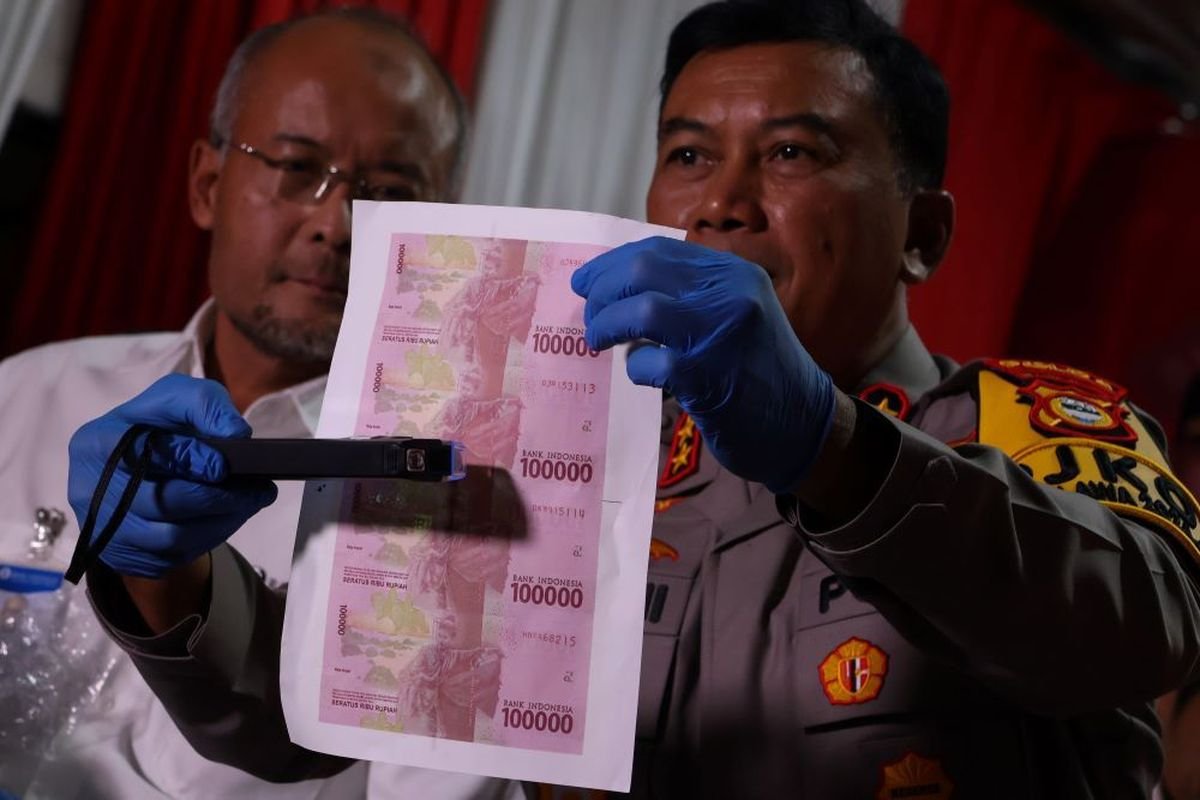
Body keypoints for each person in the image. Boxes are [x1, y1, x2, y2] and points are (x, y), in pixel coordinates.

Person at [70, 0, 1200, 797]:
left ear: (926, 231)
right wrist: (169, 571)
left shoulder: (1020, 424)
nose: (723, 204)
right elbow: (336, 707)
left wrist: (832, 446)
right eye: (690, 155)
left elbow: (1139, 633)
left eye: (794, 153)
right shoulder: (579, 441)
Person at [0, 7, 516, 799]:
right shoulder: (27, 393)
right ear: (207, 186)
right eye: (296, 167)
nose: (335, 223)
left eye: (389, 192)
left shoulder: (456, 503)